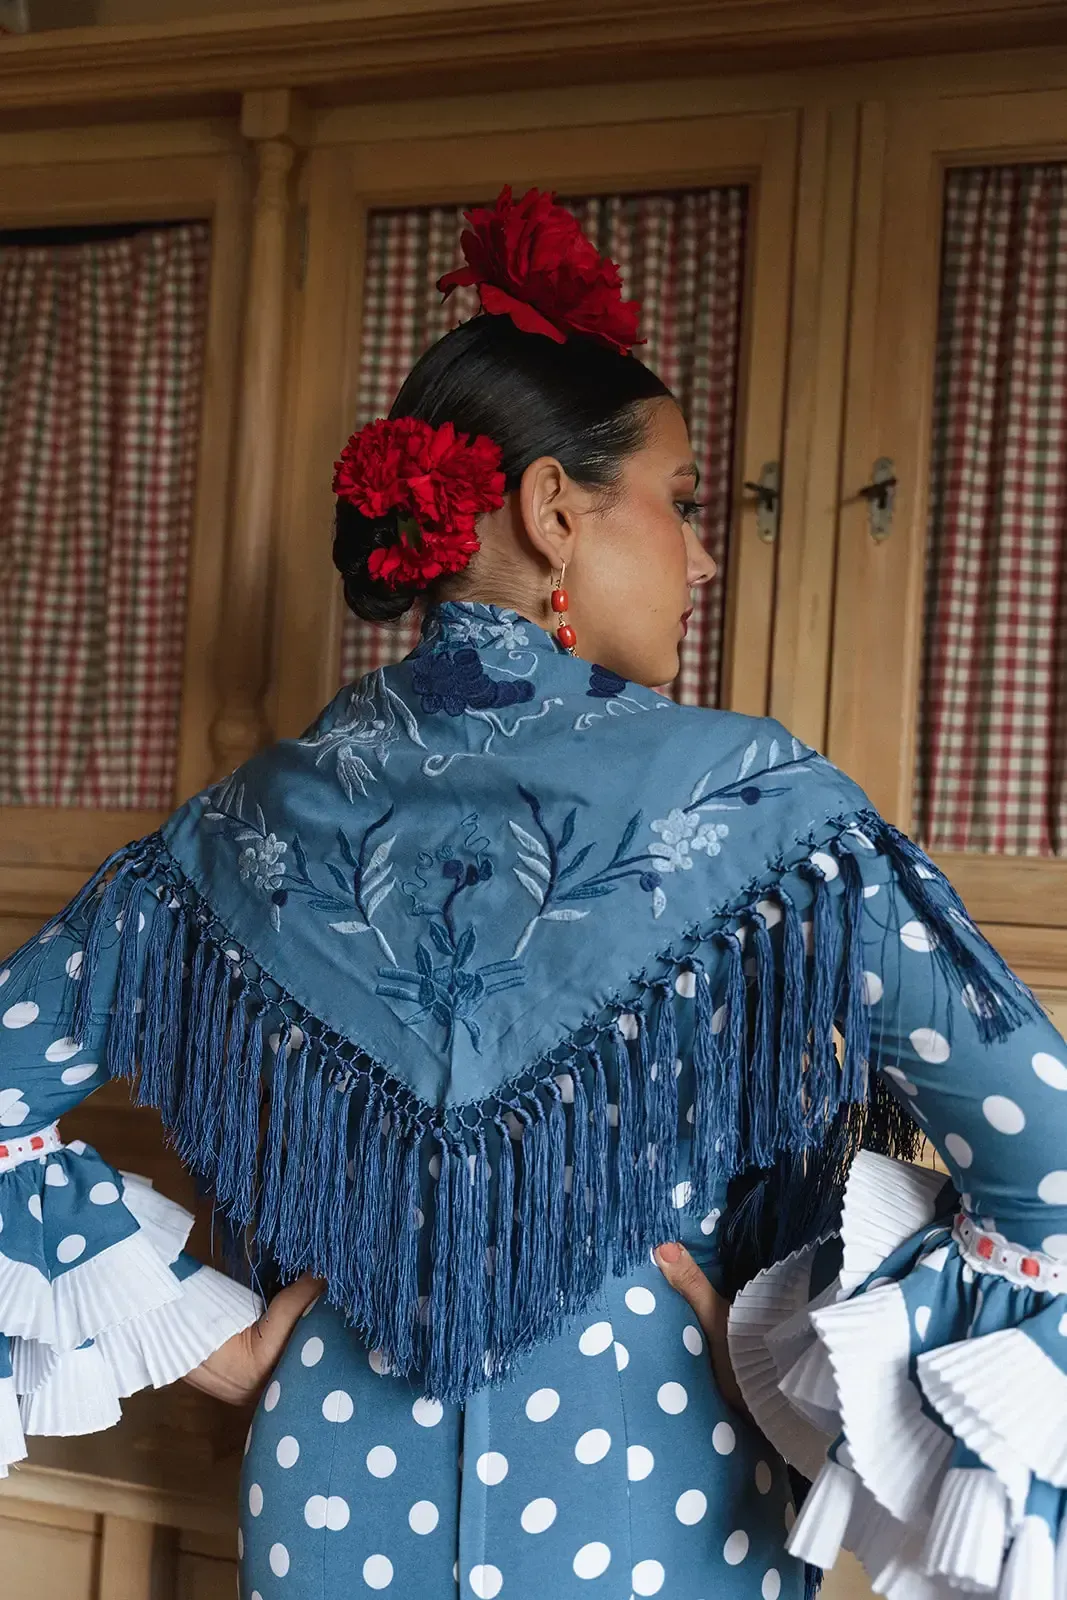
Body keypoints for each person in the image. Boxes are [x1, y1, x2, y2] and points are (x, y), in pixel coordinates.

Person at [1, 185, 1065, 1600]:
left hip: (326, 1472)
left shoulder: (237, 825)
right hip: (661, 1468)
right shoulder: (757, 808)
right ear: (555, 508)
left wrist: (219, 1338)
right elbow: (1042, 1160)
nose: (700, 554)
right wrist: (797, 1363)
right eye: (678, 502)